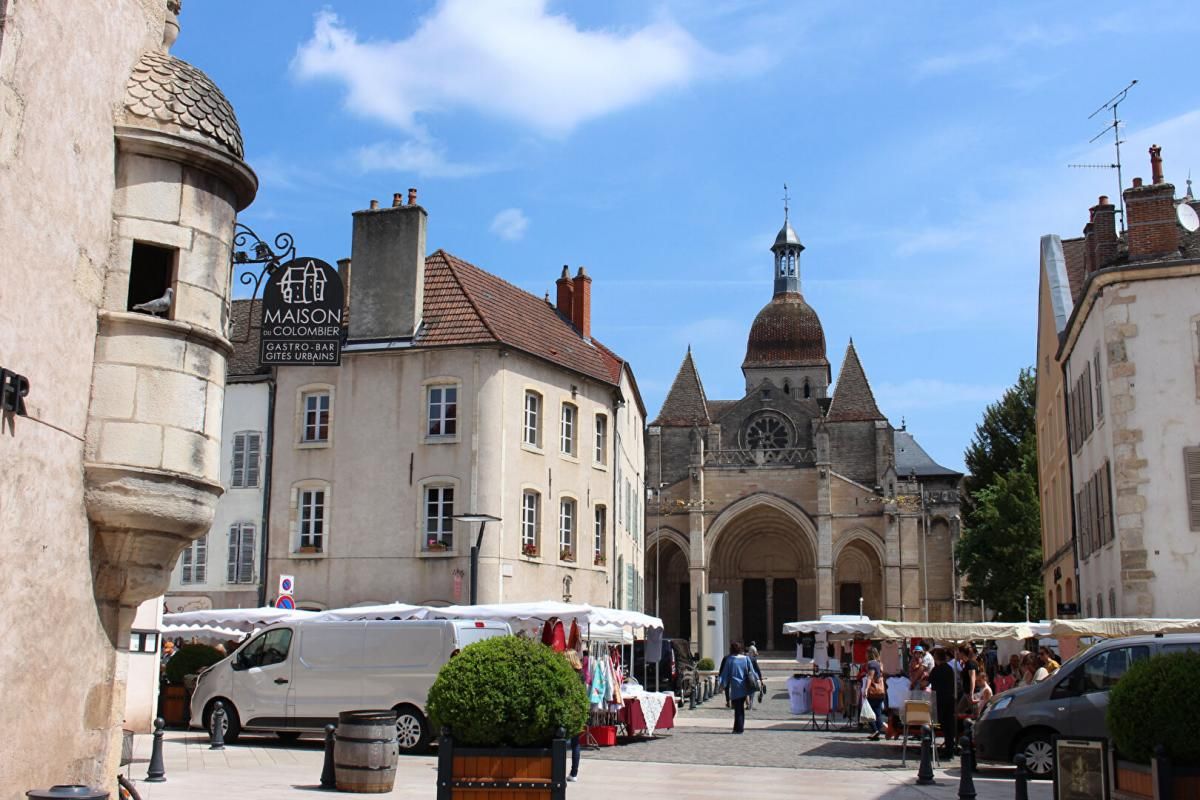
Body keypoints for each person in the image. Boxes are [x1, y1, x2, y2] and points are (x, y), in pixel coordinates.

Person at [718, 642, 754, 734]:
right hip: (745, 686)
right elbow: (752, 672)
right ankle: (738, 727)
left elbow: (725, 673)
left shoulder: (730, 659)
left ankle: (738, 728)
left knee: (738, 708)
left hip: (735, 686)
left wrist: (722, 685)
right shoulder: (746, 659)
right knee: (741, 707)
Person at [928, 648, 956, 758]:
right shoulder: (950, 669)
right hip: (949, 699)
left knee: (934, 724)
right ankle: (950, 748)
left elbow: (928, 682)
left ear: (936, 658)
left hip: (938, 700)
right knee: (948, 726)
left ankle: (928, 745)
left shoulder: (936, 670)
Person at [564, 649, 586, 782]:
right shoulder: (581, 674)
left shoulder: (567, 675)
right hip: (579, 710)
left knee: (560, 743)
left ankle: (558, 772)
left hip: (568, 710)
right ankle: (574, 773)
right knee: (575, 743)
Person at [863, 647, 886, 741]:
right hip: (880, 692)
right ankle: (881, 729)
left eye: (866, 653)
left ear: (869, 654)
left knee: (868, 712)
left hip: (873, 692)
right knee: (877, 712)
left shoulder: (871, 663)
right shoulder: (879, 663)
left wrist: (866, 689)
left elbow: (870, 677)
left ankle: (875, 730)